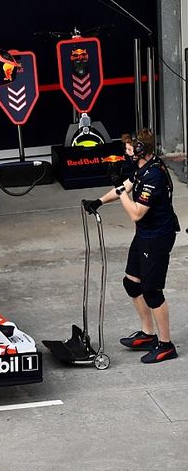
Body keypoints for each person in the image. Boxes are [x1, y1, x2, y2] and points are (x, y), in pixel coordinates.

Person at [83, 129, 179, 363]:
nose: (126, 154)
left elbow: (136, 213)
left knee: (152, 291)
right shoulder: (145, 168)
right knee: (132, 283)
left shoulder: (154, 176)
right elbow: (127, 185)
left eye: (129, 150)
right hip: (145, 234)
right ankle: (148, 335)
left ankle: (166, 345)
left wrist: (117, 186)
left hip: (157, 237)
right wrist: (99, 201)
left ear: (140, 151)